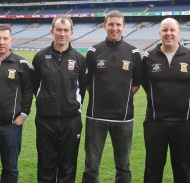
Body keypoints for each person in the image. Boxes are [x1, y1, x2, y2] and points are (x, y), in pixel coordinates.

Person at [82, 10, 142, 183]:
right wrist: (99, 97)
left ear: (123, 27)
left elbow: (136, 83)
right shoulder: (93, 51)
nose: (114, 28)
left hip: (123, 118)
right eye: (111, 24)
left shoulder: (134, 52)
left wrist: (121, 97)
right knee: (91, 166)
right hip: (96, 117)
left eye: (118, 25)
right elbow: (87, 82)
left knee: (123, 166)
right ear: (104, 26)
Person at [30, 15, 87, 183]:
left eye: (66, 30)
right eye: (59, 30)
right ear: (52, 31)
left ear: (71, 32)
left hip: (71, 122)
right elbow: (35, 87)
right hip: (45, 121)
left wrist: (70, 105)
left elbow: (81, 90)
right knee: (46, 167)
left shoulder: (80, 59)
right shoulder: (40, 57)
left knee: (68, 167)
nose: (62, 33)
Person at [142, 17, 190, 183]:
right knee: (153, 167)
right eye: (165, 30)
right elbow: (143, 83)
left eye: (172, 30)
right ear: (160, 33)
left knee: (183, 167)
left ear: (178, 33)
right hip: (155, 123)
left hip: (184, 123)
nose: (168, 34)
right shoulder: (148, 57)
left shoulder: (189, 56)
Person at [0, 25, 33, 183]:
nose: (1, 42)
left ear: (11, 40)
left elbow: (28, 91)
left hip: (11, 125)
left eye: (5, 38)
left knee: (10, 168)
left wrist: (23, 115)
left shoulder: (21, 63)